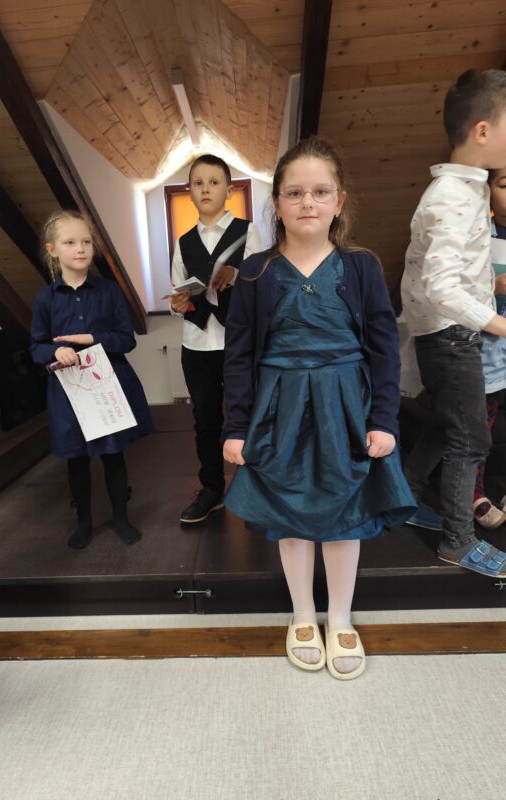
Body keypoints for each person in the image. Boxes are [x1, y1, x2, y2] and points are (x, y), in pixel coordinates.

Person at [223, 136, 415, 680]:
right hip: (277, 408)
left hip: (346, 407)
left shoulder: (361, 267)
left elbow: (384, 350)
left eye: (320, 191)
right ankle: (304, 614)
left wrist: (383, 419)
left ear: (339, 201)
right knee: (291, 513)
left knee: (343, 513)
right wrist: (235, 426)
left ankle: (341, 617)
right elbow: (238, 356)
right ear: (277, 204)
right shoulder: (254, 272)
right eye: (294, 192)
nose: (307, 202)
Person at [401, 69, 506, 576]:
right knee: (471, 438)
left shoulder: (467, 189)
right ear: (483, 131)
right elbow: (442, 287)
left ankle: (403, 498)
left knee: (448, 428)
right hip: (451, 337)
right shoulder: (451, 196)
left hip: (448, 334)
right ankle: (457, 541)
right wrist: (499, 324)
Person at [30, 210, 154, 549]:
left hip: (106, 386)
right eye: (70, 242)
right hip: (68, 392)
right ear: (52, 250)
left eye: (86, 242)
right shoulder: (45, 299)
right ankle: (83, 521)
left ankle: (121, 518)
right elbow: (36, 347)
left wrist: (92, 339)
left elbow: (126, 339)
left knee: (113, 454)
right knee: (77, 458)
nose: (81, 248)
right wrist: (56, 351)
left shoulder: (110, 291)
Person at [170, 154, 261, 523]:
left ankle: (256, 489)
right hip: (195, 343)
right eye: (198, 183)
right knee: (204, 419)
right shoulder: (183, 242)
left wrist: (236, 275)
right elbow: (179, 292)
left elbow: (261, 285)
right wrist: (176, 305)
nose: (205, 189)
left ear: (228, 190)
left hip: (237, 341)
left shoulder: (247, 231)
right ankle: (211, 489)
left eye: (213, 182)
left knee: (249, 415)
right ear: (190, 192)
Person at [473, 166, 506, 528]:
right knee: (480, 427)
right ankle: (475, 492)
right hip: (486, 349)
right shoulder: (479, 234)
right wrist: (493, 285)